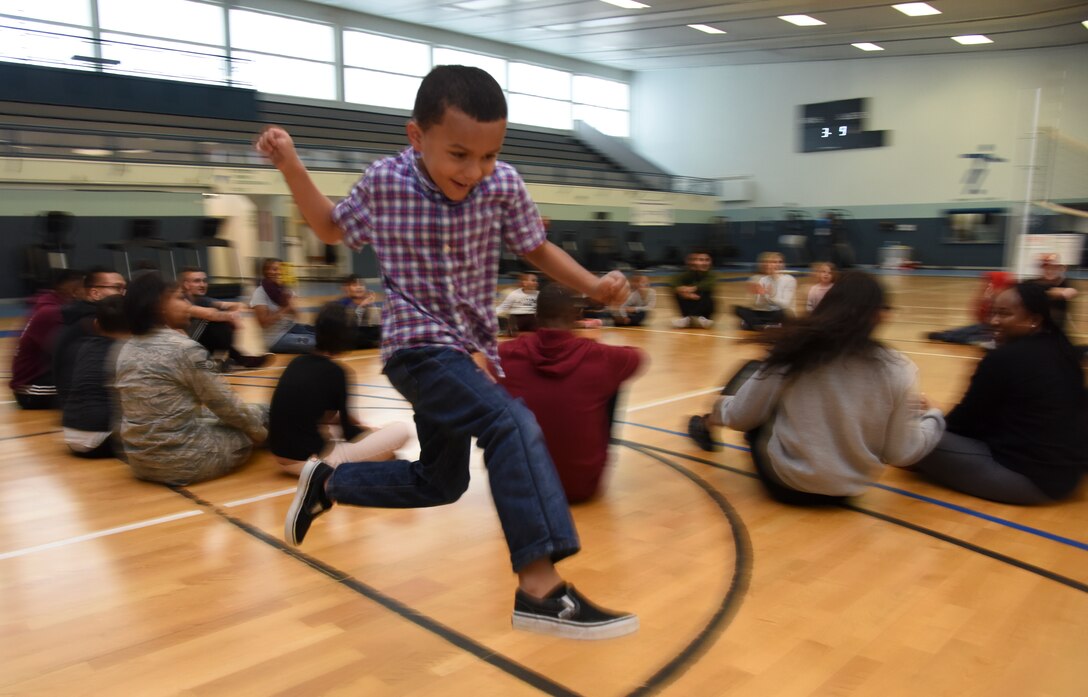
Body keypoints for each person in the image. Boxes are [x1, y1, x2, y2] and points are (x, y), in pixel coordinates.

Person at [257, 64, 638, 639]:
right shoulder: (386, 182)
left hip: (467, 349)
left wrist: (592, 286)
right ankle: (540, 588)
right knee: (510, 422)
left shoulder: (502, 184)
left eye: (488, 156)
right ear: (418, 136)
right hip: (416, 346)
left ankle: (327, 482)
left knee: (443, 481)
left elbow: (535, 246)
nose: (475, 171)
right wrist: (290, 164)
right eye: (460, 155)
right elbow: (331, 228)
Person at [688, 271, 944, 505]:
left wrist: (721, 409)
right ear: (880, 315)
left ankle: (707, 424)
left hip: (785, 483)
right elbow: (900, 453)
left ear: (828, 304)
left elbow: (742, 417)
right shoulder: (900, 368)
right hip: (848, 491)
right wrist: (933, 417)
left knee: (751, 371)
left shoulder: (796, 351)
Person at [911, 283, 1085, 504]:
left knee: (911, 430)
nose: (993, 321)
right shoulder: (1064, 349)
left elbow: (964, 423)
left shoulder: (1003, 359)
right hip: (1068, 476)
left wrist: (934, 413)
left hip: (1030, 481)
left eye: (1004, 314)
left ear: (1034, 319)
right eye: (993, 312)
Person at [114, 272, 268, 485]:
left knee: (229, 417)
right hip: (185, 462)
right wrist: (260, 434)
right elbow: (225, 405)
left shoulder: (126, 348)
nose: (187, 304)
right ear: (159, 306)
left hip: (140, 461)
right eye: (179, 297)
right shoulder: (184, 349)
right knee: (261, 414)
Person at [498, 283, 646, 503]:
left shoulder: (505, 353)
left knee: (498, 387)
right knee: (612, 381)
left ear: (536, 316)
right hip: (581, 486)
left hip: (522, 486)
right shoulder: (603, 356)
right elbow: (637, 357)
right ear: (577, 316)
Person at [269, 302, 411, 476]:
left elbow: (315, 411)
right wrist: (371, 433)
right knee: (400, 430)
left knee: (340, 431)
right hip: (312, 463)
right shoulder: (336, 372)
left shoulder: (296, 362)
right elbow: (349, 433)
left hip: (279, 456)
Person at [61, 295, 127, 458]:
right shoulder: (126, 352)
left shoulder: (84, 347)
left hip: (70, 433)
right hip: (102, 438)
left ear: (96, 324)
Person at [9, 268, 83, 409]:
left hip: (39, 380)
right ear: (72, 288)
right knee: (96, 389)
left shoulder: (52, 306)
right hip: (33, 388)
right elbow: (67, 354)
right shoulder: (51, 312)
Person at [53, 266, 126, 405]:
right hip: (87, 405)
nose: (123, 293)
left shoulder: (79, 316)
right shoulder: (91, 323)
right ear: (95, 293)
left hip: (75, 406)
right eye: (117, 288)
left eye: (124, 288)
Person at [180, 266, 270, 370]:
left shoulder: (202, 300)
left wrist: (234, 310)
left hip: (197, 345)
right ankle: (239, 358)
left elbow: (235, 305)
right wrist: (230, 316)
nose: (202, 285)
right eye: (197, 281)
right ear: (186, 284)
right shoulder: (181, 301)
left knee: (221, 316)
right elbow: (209, 314)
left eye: (204, 281)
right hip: (183, 347)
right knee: (213, 320)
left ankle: (219, 361)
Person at [927, 271, 1013, 345]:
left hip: (1000, 331)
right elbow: (980, 316)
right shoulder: (992, 297)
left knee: (974, 337)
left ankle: (951, 337)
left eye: (991, 284)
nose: (989, 287)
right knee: (967, 330)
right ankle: (945, 335)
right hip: (987, 326)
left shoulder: (1008, 300)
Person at [250, 258, 316, 354]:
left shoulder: (284, 289)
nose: (278, 272)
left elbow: (298, 317)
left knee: (321, 333)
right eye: (274, 269)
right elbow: (263, 323)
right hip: (275, 338)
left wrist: (293, 305)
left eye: (280, 269)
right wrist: (286, 308)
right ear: (266, 271)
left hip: (290, 328)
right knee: (314, 342)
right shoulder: (259, 293)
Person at [734, 252, 796, 330]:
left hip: (778, 312)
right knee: (738, 309)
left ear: (783, 264)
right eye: (773, 262)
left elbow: (784, 304)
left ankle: (754, 324)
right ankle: (763, 325)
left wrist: (769, 296)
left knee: (783, 313)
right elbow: (757, 303)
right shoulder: (763, 279)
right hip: (764, 313)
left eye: (779, 262)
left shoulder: (789, 279)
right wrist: (759, 295)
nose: (775, 265)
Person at [1027, 252, 1077, 331]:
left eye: (1054, 268)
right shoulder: (1032, 282)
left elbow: (1070, 292)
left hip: (1054, 331)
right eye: (1046, 268)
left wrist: (1043, 293)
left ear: (1061, 268)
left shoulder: (1065, 283)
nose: (1049, 271)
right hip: (1034, 329)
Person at [670, 250, 716, 328]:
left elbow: (708, 284)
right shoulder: (689, 273)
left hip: (705, 310)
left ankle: (701, 319)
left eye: (707, 260)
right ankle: (687, 319)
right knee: (677, 292)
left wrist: (691, 289)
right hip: (690, 304)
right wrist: (682, 291)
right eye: (701, 260)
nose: (704, 263)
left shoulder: (712, 274)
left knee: (705, 291)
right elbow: (673, 282)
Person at [336, 274, 382, 349]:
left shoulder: (368, 304)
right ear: (347, 288)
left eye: (361, 284)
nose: (359, 287)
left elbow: (376, 327)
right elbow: (349, 327)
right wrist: (362, 307)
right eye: (354, 285)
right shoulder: (342, 304)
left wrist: (371, 306)